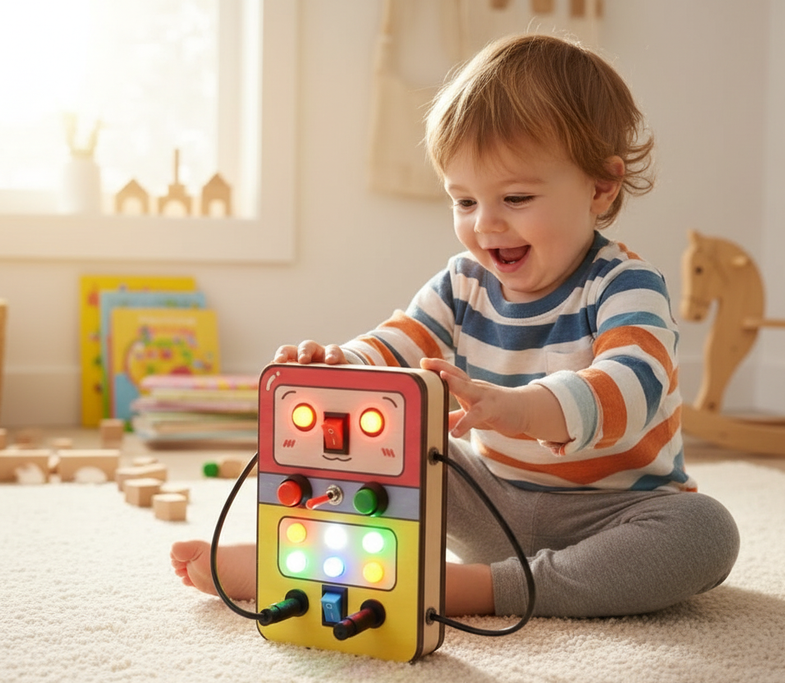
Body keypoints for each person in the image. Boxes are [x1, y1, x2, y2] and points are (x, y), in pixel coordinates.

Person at [172, 32, 739, 619]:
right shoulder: (463, 282)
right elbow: (401, 343)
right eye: (464, 201)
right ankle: (306, 556)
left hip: (612, 515)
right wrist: (342, 366)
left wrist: (523, 409)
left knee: (705, 531)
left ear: (601, 186)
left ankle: (464, 589)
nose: (486, 225)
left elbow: (633, 385)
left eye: (515, 198)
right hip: (491, 506)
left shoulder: (625, 285)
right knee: (396, 438)